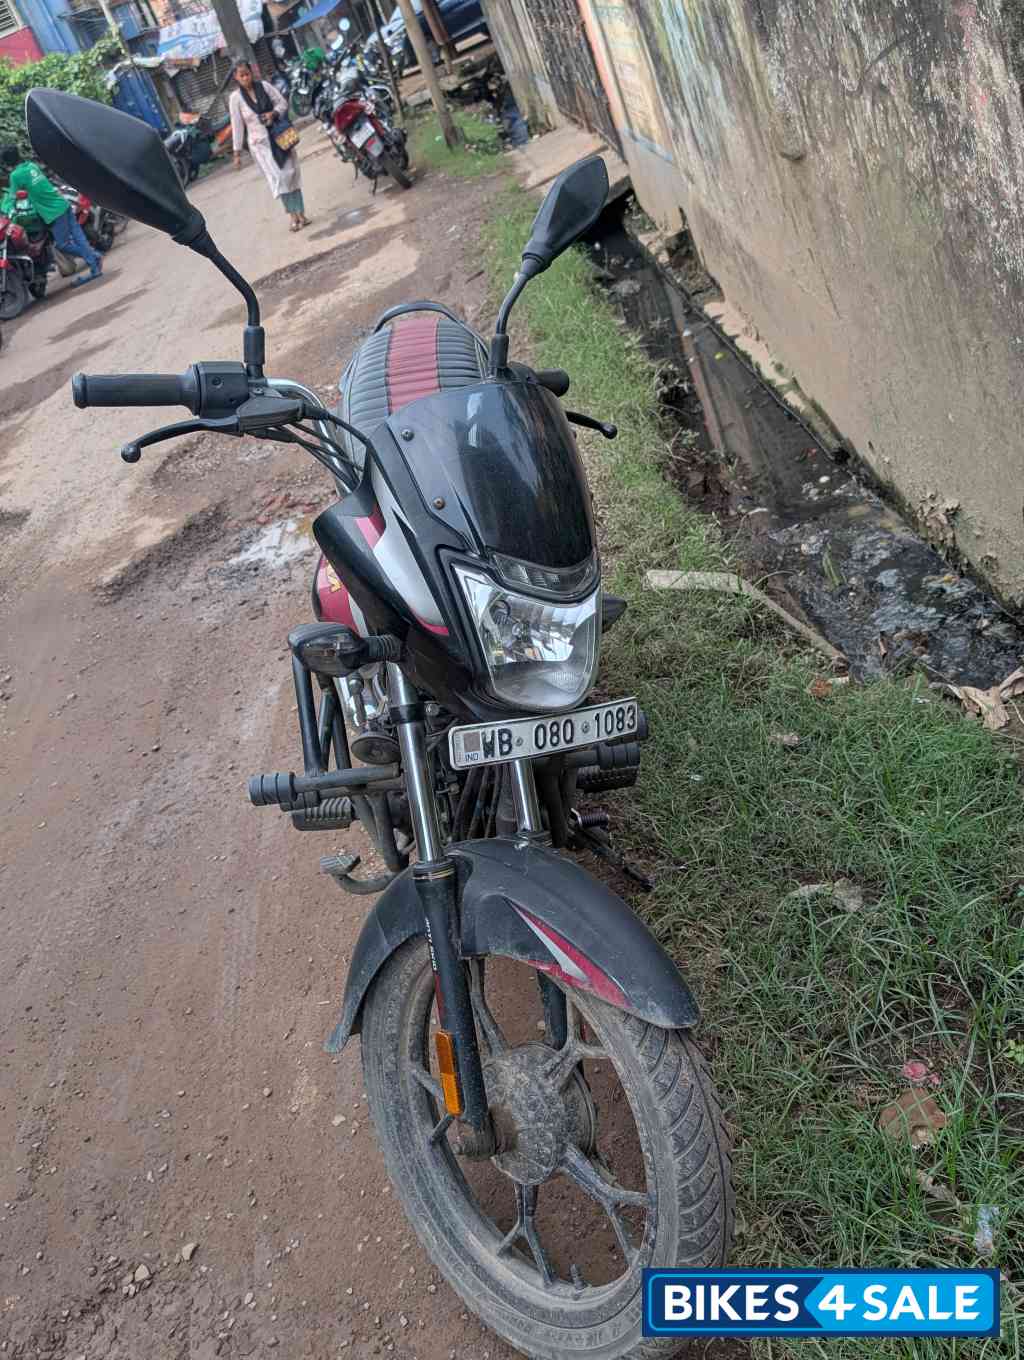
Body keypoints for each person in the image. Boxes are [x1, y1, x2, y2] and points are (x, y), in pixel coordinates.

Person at [0, 145, 102, 286]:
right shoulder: (31, 165)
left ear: (6, 162)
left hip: (54, 212)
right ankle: (95, 267)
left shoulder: (15, 176)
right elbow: (34, 189)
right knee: (79, 238)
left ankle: (93, 256)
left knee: (63, 244)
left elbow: (12, 198)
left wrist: (5, 210)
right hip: (63, 204)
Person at [229, 60, 310, 232]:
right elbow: (237, 125)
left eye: (247, 73)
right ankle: (293, 216)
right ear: (236, 78)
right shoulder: (235, 99)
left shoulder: (265, 86)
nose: (245, 78)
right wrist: (236, 153)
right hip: (261, 146)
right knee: (280, 179)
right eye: (241, 75)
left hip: (280, 138)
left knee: (292, 174)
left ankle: (302, 214)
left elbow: (282, 103)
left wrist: (273, 113)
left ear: (251, 73)